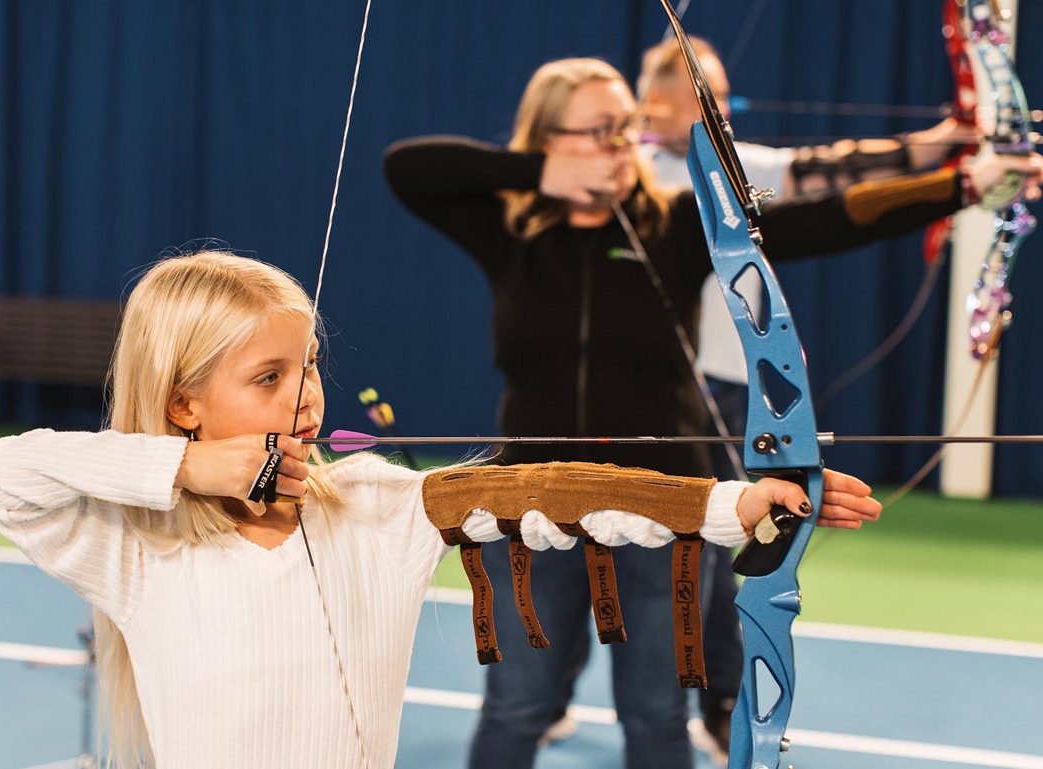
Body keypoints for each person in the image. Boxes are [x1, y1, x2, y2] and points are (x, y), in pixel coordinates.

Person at [0, 250, 883, 769]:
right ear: (183, 401)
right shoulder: (136, 542)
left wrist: (733, 502)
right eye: (270, 376)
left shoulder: (373, 505)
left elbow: (547, 494)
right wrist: (189, 468)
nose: (307, 394)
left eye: (309, 364)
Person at [383, 57, 1039, 769]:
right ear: (548, 138)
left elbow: (814, 222)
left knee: (659, 712)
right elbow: (407, 167)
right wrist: (535, 176)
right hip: (535, 501)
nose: (619, 144)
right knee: (516, 706)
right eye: (597, 130)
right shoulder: (509, 230)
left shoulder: (671, 223)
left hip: (669, 501)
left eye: (624, 128)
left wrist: (962, 185)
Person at [634, 35, 982, 761]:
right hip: (655, 398)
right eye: (708, 96)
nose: (722, 110)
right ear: (658, 99)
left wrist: (946, 148)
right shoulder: (627, 180)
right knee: (631, 552)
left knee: (732, 555)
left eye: (726, 96)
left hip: (738, 396)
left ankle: (721, 699)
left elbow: (835, 175)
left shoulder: (737, 170)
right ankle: (570, 693)